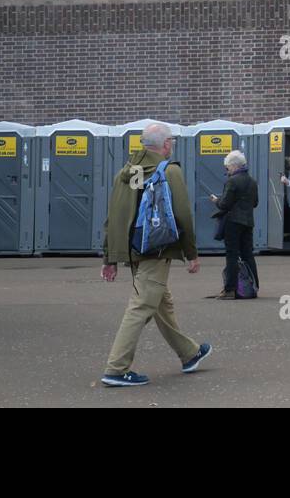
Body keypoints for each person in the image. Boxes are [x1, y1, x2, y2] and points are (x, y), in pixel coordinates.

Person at [99, 122, 211, 387]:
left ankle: (189, 353)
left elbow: (115, 216)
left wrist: (110, 257)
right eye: (171, 141)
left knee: (161, 303)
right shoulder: (168, 171)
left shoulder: (128, 172)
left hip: (135, 249)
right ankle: (116, 369)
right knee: (140, 307)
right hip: (157, 249)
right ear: (166, 144)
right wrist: (191, 253)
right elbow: (183, 214)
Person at [209, 149, 259, 298]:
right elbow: (255, 203)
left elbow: (224, 204)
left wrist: (216, 200)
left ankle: (230, 288)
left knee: (232, 254)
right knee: (248, 254)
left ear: (235, 166)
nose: (227, 170)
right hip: (248, 222)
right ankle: (253, 285)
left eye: (228, 167)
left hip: (233, 222)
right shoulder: (252, 181)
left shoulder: (232, 181)